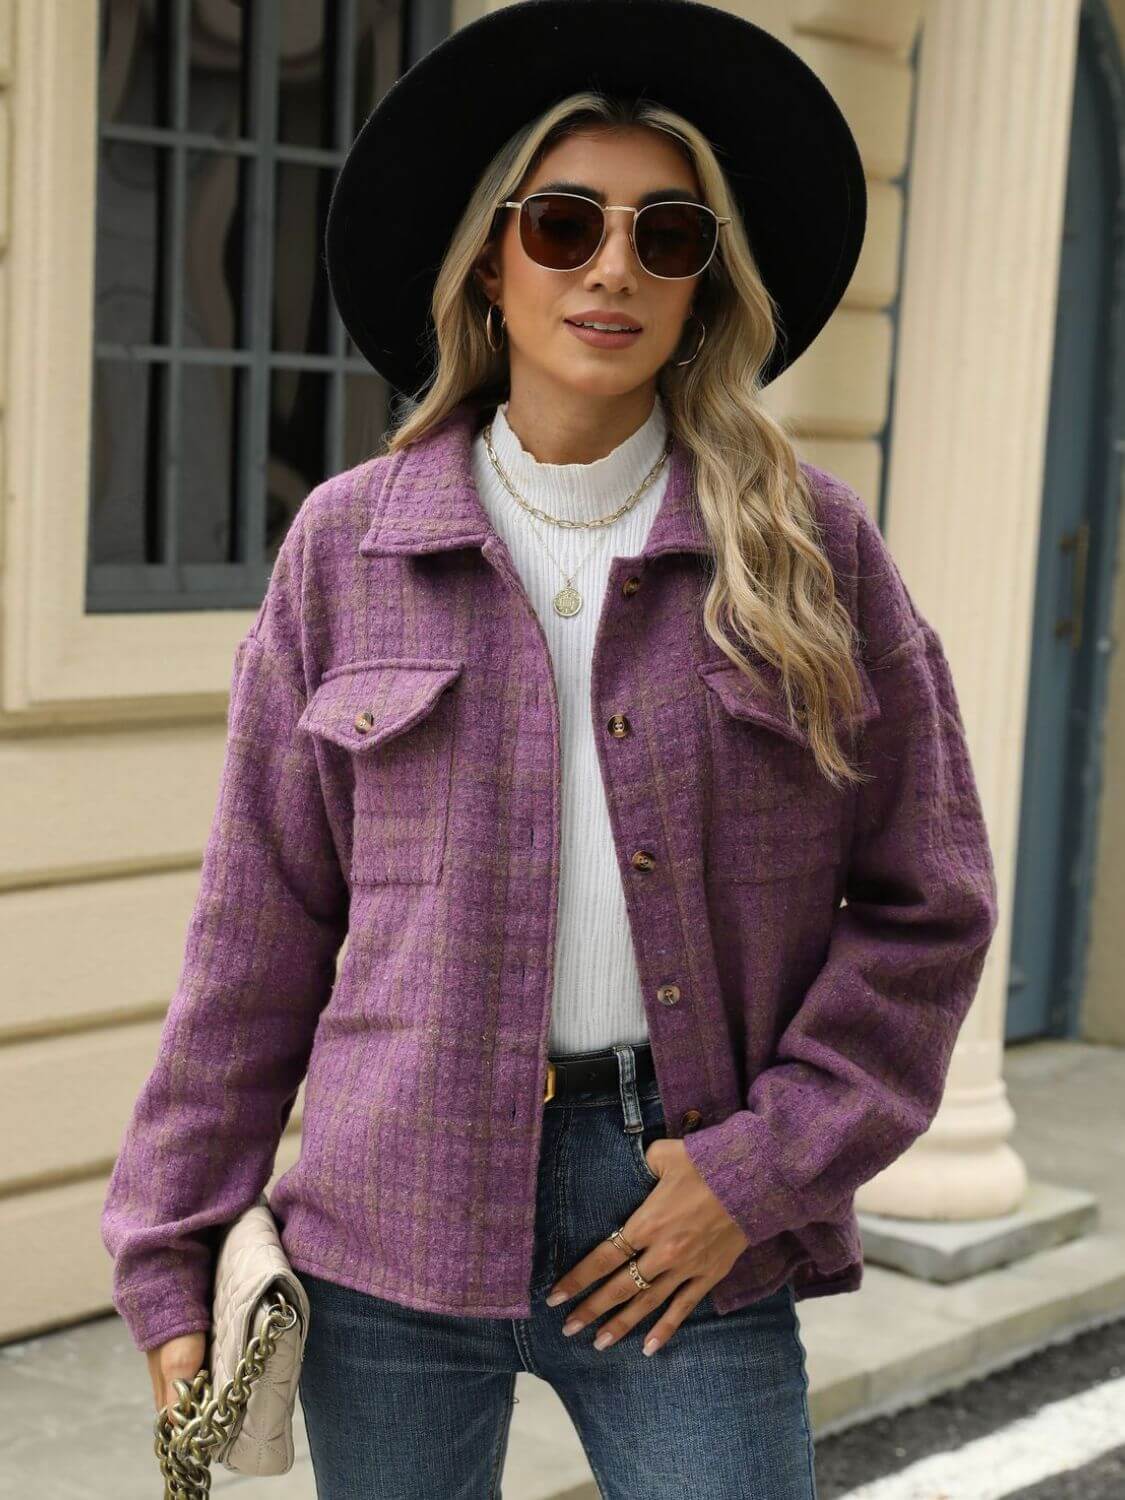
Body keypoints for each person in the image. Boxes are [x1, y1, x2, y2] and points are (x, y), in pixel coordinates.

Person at [102, 3, 1000, 1496]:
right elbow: (256, 936)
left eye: (667, 236)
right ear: (490, 260)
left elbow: (929, 901)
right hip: (387, 1207)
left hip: (683, 1210)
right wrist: (171, 1248)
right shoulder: (348, 548)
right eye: (565, 222)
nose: (610, 267)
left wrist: (761, 1170)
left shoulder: (809, 549)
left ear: (707, 285)